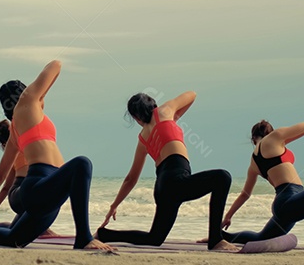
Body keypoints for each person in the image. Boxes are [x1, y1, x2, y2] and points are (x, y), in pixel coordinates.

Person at [0, 60, 114, 250]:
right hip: (38, 186)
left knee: (14, 239)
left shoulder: (16, 129)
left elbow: (0, 173)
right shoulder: (27, 100)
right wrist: (38, 92)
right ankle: (84, 238)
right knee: (82, 164)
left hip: (46, 193)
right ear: (24, 91)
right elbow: (56, 65)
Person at [97, 91, 237, 251]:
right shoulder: (164, 111)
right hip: (178, 179)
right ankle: (216, 239)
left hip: (163, 187)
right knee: (222, 177)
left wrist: (114, 205)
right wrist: (175, 114)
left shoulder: (142, 138)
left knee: (154, 239)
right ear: (153, 105)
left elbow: (131, 178)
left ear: (136, 117)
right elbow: (192, 94)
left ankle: (105, 234)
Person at [221, 119, 304, 250]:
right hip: (289, 201)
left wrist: (228, 216)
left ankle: (219, 236)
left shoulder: (253, 163)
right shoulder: (275, 136)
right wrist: (283, 137)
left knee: (261, 238)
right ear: (270, 132)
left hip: (285, 204)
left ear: (253, 139)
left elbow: (245, 194)